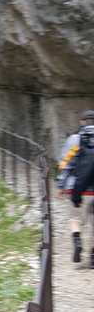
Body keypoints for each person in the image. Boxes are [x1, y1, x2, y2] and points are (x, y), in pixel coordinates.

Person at [57, 109, 94, 264]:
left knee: (75, 217)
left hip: (76, 187)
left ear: (82, 122)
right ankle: (93, 256)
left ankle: (77, 240)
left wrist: (60, 184)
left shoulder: (75, 139)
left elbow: (65, 163)